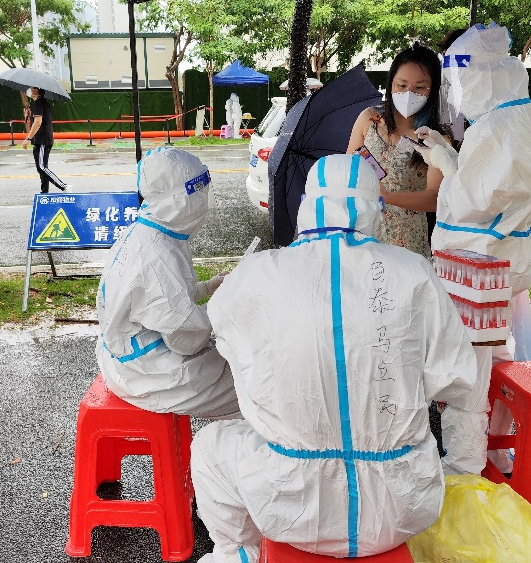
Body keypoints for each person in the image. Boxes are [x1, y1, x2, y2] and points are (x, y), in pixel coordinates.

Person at [191, 154, 479, 563]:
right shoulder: (415, 273)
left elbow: (222, 332)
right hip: (404, 509)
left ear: (308, 205)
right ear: (374, 207)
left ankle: (237, 553)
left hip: (290, 512)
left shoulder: (258, 273)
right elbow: (458, 383)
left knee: (208, 443)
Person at [413, 22, 531, 475]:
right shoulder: (510, 117)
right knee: (496, 351)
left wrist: (443, 164)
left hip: (482, 268)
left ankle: (467, 462)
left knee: (469, 369)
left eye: (458, 77)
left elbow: (467, 203)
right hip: (498, 265)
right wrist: (447, 157)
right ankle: (496, 447)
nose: (457, 89)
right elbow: (484, 189)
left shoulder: (498, 128)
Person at [96, 147, 240, 419]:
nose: (205, 201)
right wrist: (228, 308)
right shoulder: (156, 256)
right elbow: (187, 339)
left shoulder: (151, 232)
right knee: (255, 388)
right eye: (200, 192)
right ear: (181, 199)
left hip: (127, 356)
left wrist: (210, 287)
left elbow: (164, 301)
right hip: (151, 376)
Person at [346, 43, 448, 257]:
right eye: (402, 85)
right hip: (362, 235)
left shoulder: (436, 137)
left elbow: (434, 198)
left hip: (406, 241)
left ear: (433, 89)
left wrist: (387, 197)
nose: (409, 93)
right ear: (391, 84)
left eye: (419, 88)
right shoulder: (369, 119)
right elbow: (347, 168)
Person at [22, 87, 67, 193]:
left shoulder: (39, 103)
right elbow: (35, 122)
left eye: (32, 88)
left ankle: (63, 186)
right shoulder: (40, 103)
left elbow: (38, 123)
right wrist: (28, 116)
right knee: (41, 168)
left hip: (42, 139)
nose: (29, 90)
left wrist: (28, 138)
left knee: (42, 167)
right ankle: (44, 191)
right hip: (41, 139)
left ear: (36, 91)